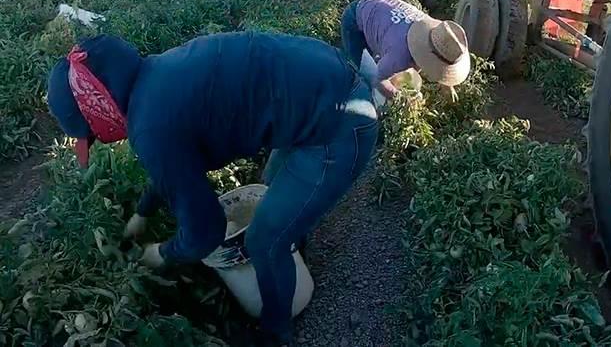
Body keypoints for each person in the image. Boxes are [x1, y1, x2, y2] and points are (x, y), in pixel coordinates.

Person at [46, 32, 379, 346]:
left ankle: (276, 331)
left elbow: (206, 231)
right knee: (272, 195)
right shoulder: (157, 75)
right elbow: (174, 162)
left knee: (262, 241)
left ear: (97, 108)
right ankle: (290, 247)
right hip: (325, 83)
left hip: (340, 126)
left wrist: (161, 253)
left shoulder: (151, 126)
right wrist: (143, 213)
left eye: (89, 133)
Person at [341, 0, 470, 102]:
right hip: (355, 17)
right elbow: (377, 79)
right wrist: (400, 98)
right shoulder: (400, 55)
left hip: (381, 4)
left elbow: (442, 50)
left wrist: (446, 84)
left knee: (383, 61)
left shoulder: (431, 31)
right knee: (363, 72)